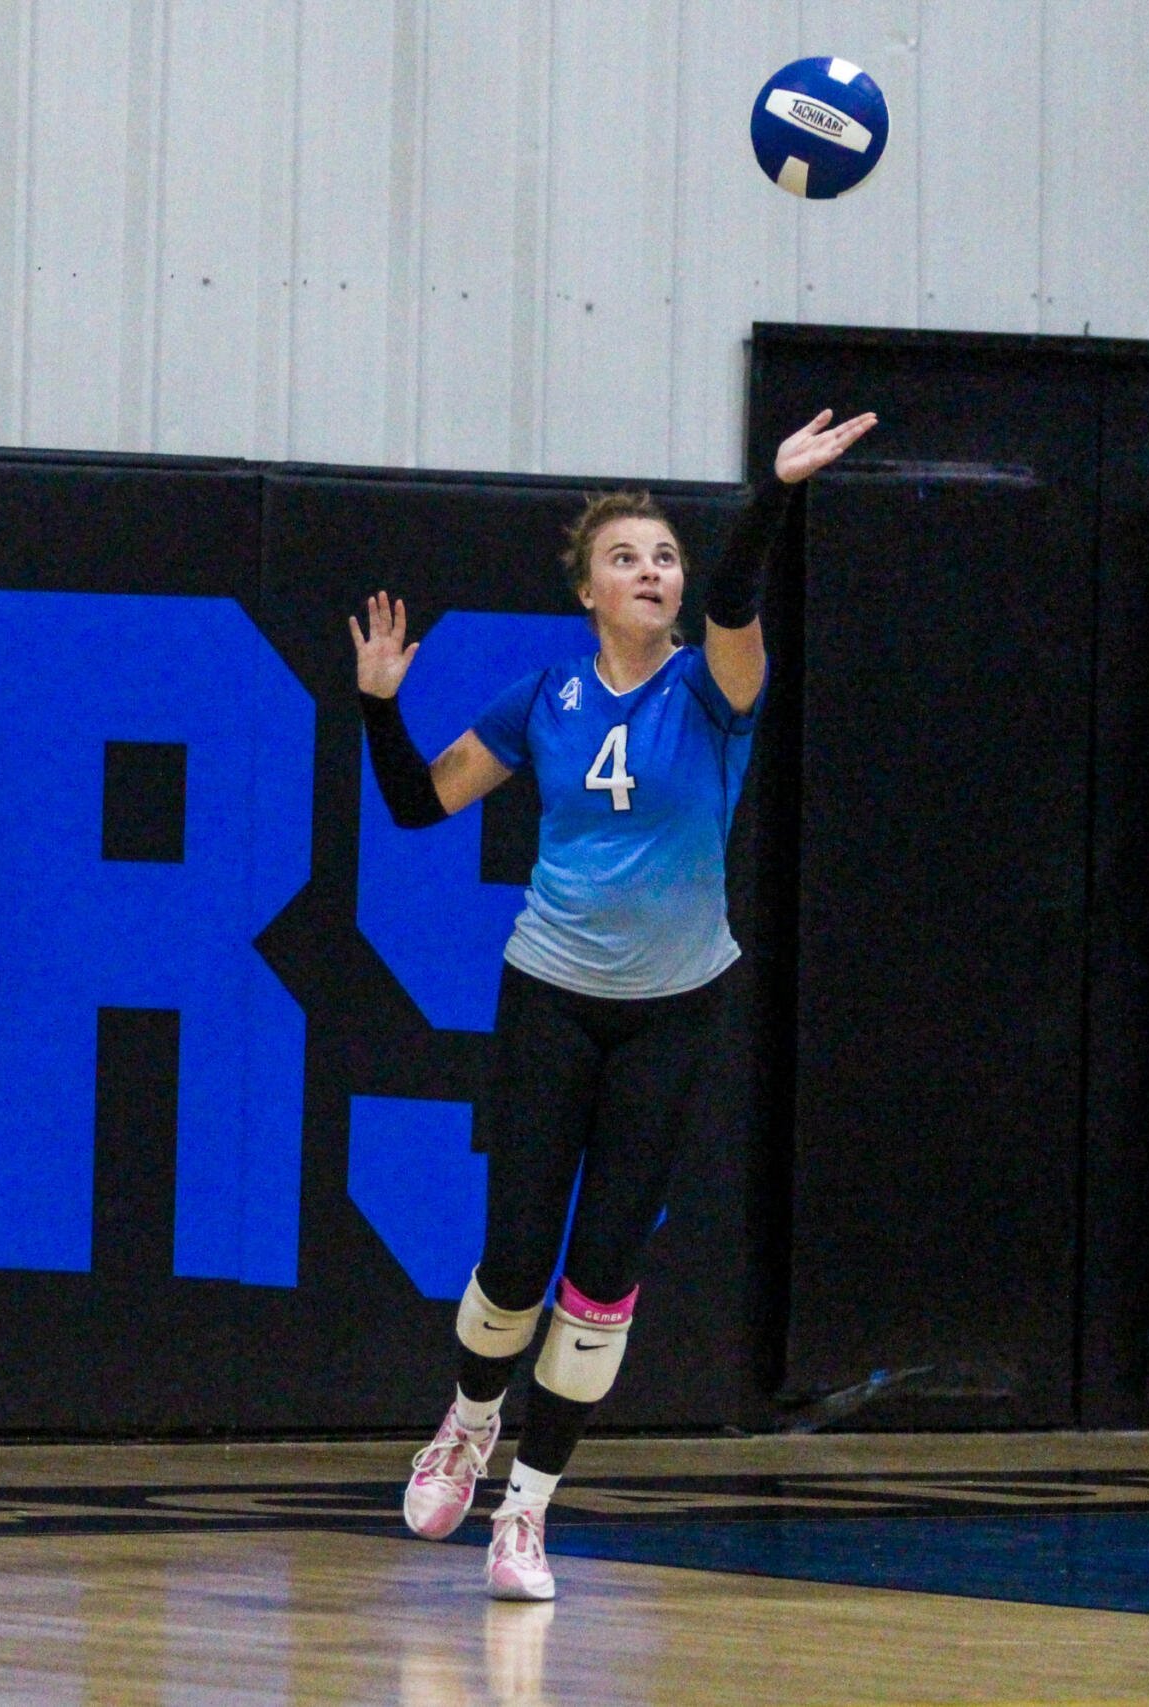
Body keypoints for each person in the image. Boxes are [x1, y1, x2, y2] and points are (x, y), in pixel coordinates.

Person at [350, 407, 878, 1600]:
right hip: (552, 994)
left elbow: (737, 595)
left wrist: (777, 491)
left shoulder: (715, 687)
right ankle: (467, 1422)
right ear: (588, 592)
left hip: (674, 1009)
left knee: (600, 1279)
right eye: (626, 559)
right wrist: (379, 704)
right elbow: (420, 806)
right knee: (514, 1260)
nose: (653, 573)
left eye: (665, 558)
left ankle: (528, 1512)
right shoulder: (544, 698)